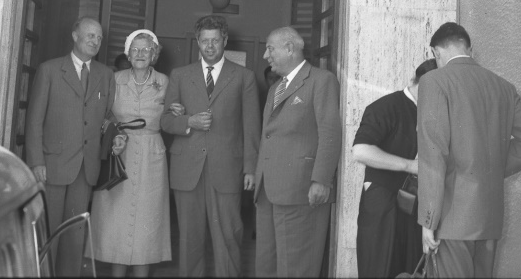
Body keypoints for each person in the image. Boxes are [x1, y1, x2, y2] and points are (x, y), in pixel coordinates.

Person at [418, 22, 521, 278]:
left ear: (436, 53)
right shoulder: (503, 87)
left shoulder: (434, 81)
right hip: (489, 218)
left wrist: (428, 221)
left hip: (451, 218)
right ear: (469, 50)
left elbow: (433, 154)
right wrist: (490, 169)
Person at [160, 15, 261, 277]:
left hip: (227, 168)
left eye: (215, 40)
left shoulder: (244, 77)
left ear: (224, 40)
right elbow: (166, 121)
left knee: (228, 236)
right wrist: (188, 121)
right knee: (189, 240)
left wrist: (250, 168)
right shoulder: (180, 75)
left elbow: (251, 127)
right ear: (197, 41)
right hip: (187, 169)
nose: (210, 46)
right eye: (205, 41)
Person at [25, 16, 125, 277]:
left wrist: (115, 134)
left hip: (86, 167)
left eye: (99, 37)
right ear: (75, 35)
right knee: (48, 230)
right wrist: (36, 161)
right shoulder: (49, 70)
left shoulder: (105, 74)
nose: (95, 41)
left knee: (74, 233)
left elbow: (107, 115)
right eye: (90, 35)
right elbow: (34, 120)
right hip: (52, 165)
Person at [254, 26, 342, 277]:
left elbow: (330, 133)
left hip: (301, 191)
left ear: (290, 48)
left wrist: (321, 180)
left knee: (297, 267)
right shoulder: (275, 88)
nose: (266, 55)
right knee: (267, 265)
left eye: (270, 49)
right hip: (268, 191)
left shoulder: (321, 80)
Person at [91, 29, 176, 277]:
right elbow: (102, 115)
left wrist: (177, 110)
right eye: (135, 49)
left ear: (154, 54)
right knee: (115, 221)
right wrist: (114, 133)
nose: (140, 54)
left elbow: (171, 116)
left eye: (146, 49)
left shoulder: (165, 81)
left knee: (147, 223)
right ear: (128, 55)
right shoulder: (113, 79)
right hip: (119, 151)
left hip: (152, 155)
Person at [353, 58, 437, 278]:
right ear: (414, 81)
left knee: (411, 269)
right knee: (379, 269)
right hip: (383, 206)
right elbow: (360, 151)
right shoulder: (386, 106)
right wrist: (410, 166)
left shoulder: (435, 112)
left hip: (416, 206)